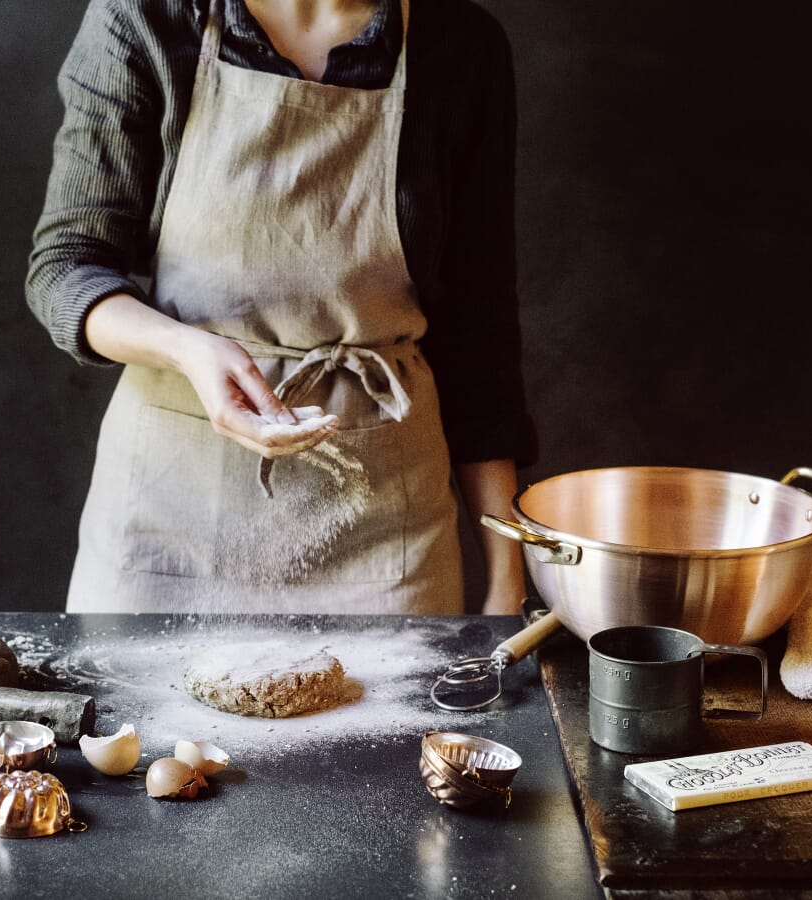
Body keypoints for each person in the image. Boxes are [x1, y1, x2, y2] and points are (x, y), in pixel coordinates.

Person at [26, 0, 538, 615]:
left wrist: (509, 578)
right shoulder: (146, 18)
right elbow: (66, 268)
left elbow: (479, 336)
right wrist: (189, 350)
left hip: (384, 537)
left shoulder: (460, 43)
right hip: (169, 524)